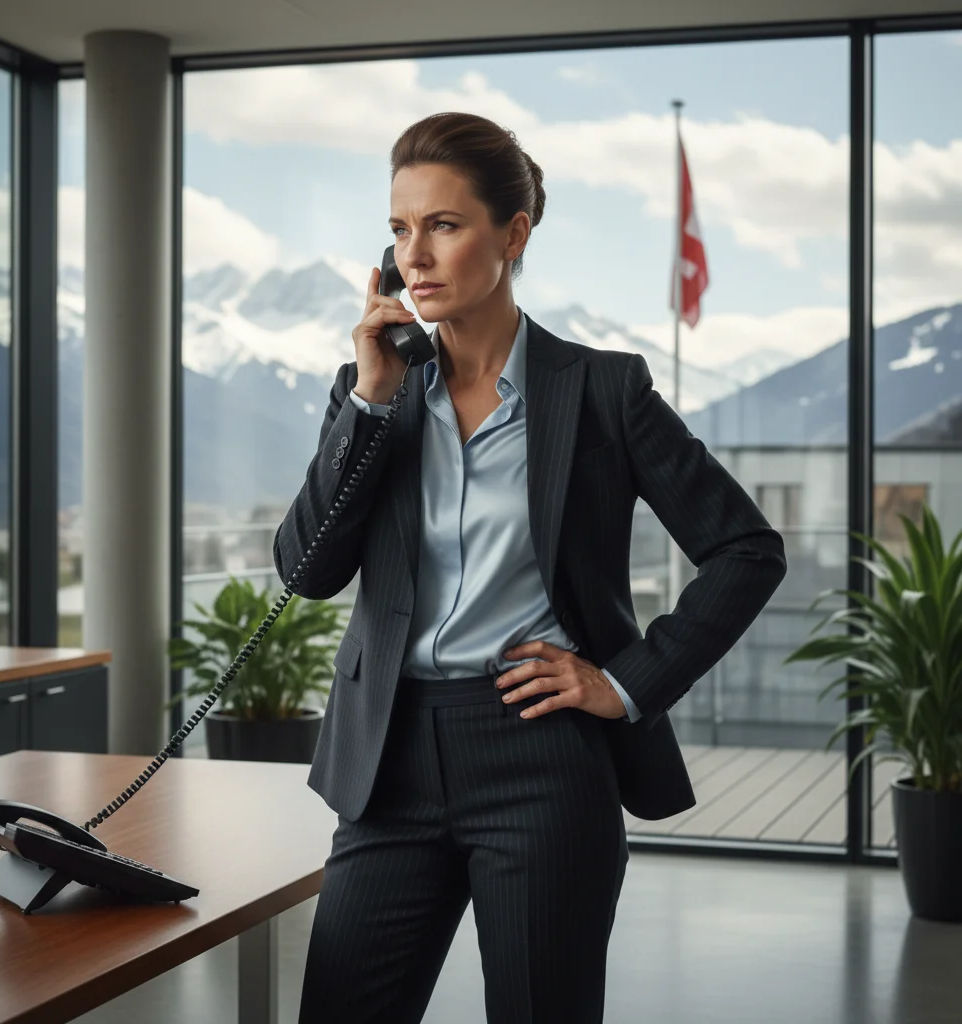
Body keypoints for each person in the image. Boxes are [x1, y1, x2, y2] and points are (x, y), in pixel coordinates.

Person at [275, 110, 787, 1024]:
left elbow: (746, 549)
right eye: (399, 229)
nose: (414, 255)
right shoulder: (374, 390)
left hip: (541, 757)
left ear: (512, 235)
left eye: (443, 225)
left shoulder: (604, 390)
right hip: (390, 756)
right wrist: (371, 401)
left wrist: (622, 685)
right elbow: (307, 570)